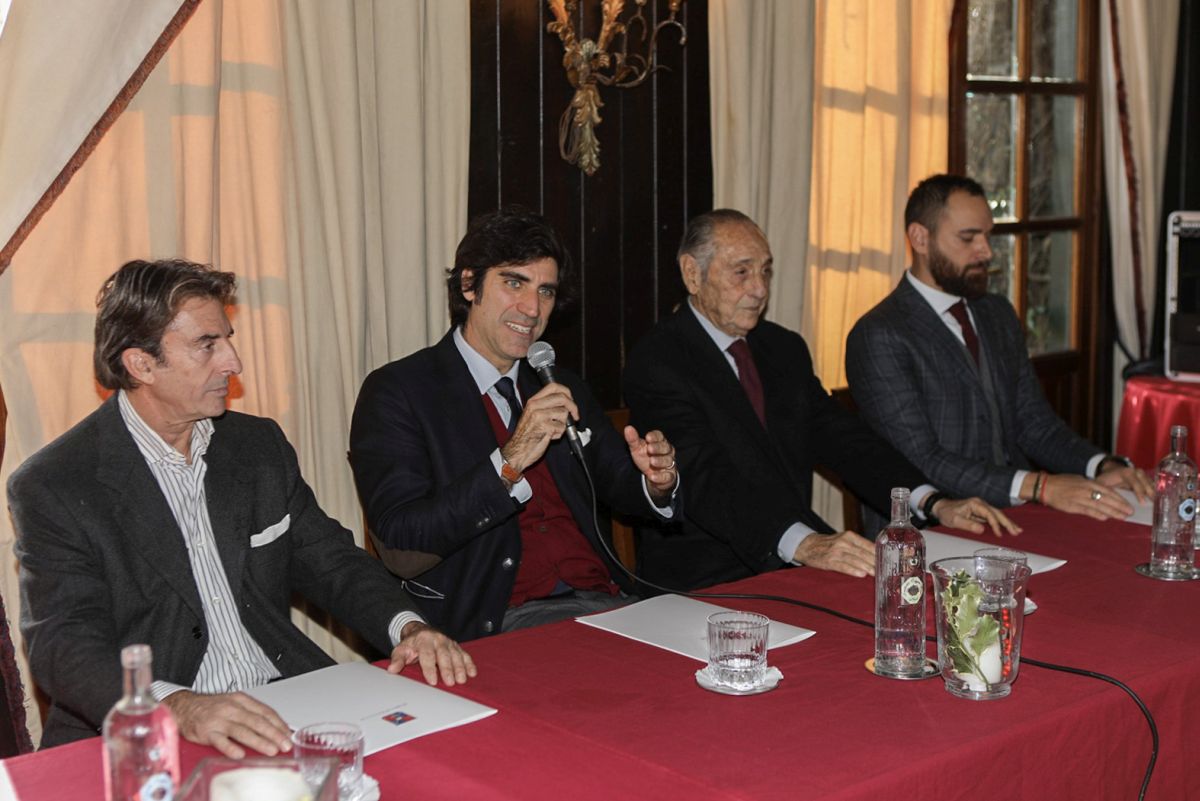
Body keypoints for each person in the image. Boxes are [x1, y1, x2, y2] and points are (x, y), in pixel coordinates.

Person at [8, 260, 475, 755]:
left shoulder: (256, 446)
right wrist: (178, 706)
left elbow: (331, 561)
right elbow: (65, 646)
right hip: (151, 731)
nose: (233, 362)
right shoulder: (56, 484)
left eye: (227, 340)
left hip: (286, 700)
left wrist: (408, 626)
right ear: (141, 365)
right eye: (207, 344)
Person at [622, 209, 1016, 592]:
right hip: (707, 578)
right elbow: (705, 477)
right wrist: (804, 544)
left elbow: (845, 440)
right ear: (692, 273)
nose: (759, 289)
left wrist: (932, 502)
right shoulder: (658, 361)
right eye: (742, 272)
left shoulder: (783, 348)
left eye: (766, 271)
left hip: (794, 559)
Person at [349, 207, 679, 641]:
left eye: (545, 291)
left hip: (606, 602)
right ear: (469, 285)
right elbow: (403, 539)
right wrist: (509, 462)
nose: (532, 308)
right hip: (499, 617)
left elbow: (617, 480)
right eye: (513, 283)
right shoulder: (399, 391)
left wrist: (654, 482)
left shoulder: (559, 384)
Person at [845, 174, 1152, 519]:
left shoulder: (996, 313)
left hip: (1014, 513)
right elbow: (921, 459)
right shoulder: (879, 334)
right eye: (968, 238)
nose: (987, 252)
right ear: (920, 238)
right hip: (929, 527)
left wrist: (1101, 465)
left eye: (987, 236)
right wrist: (1040, 486)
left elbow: (1034, 423)